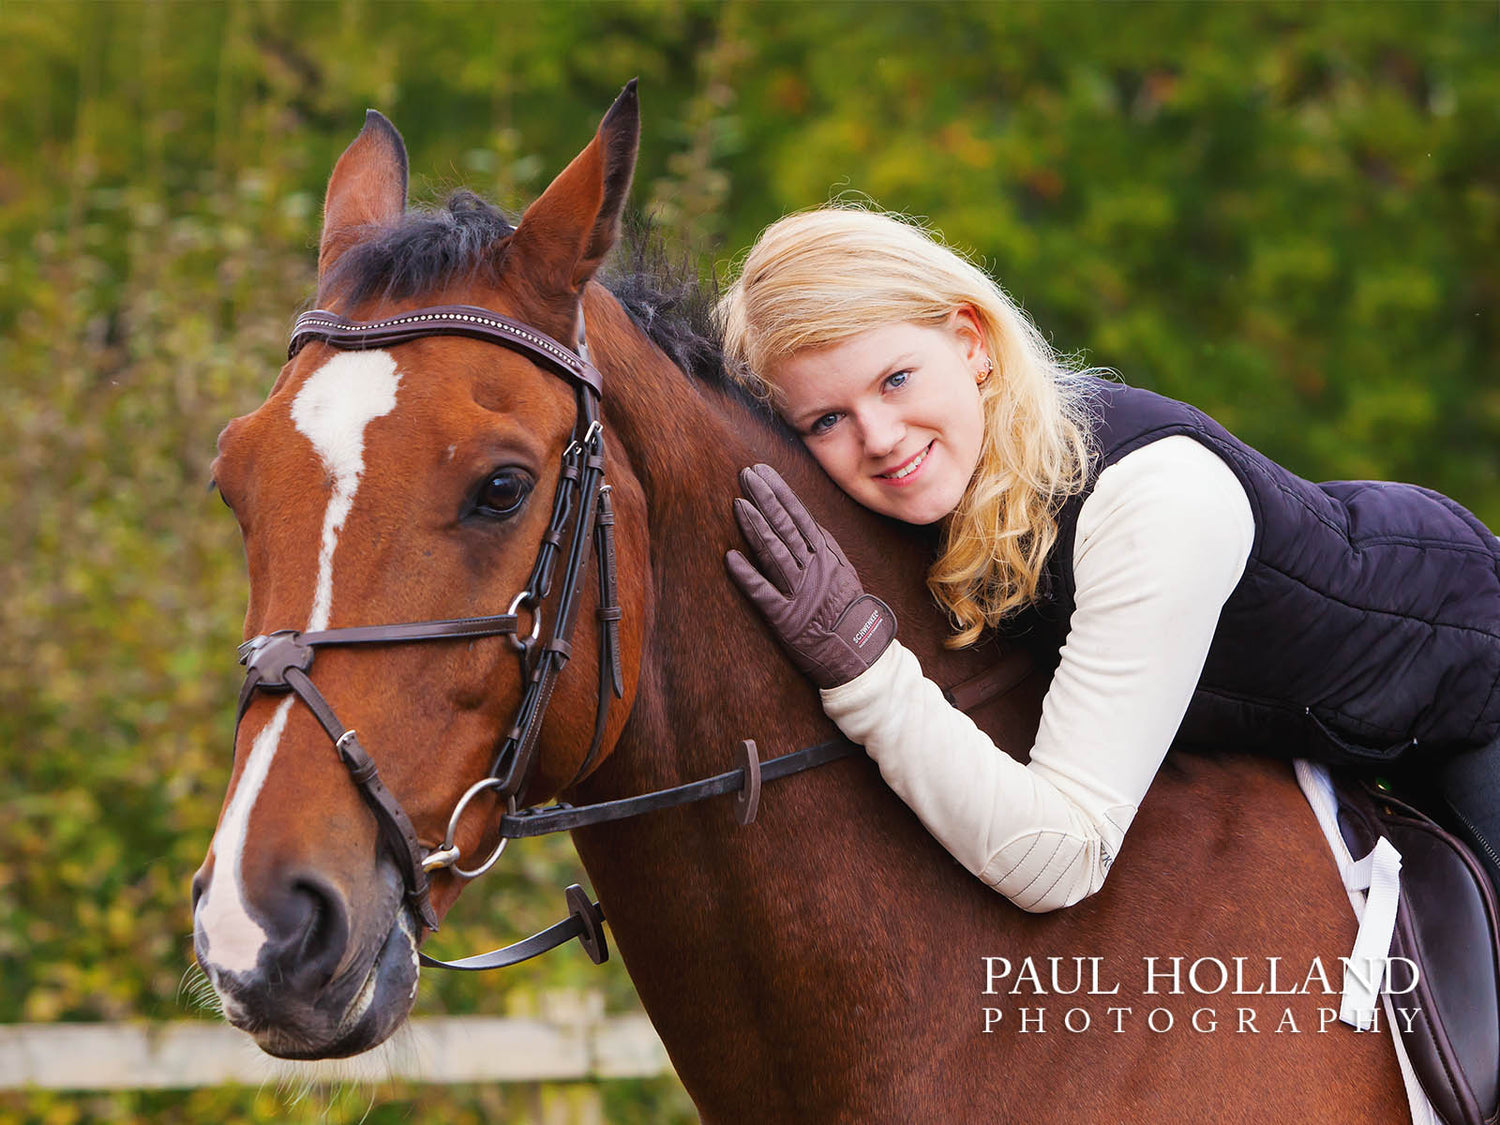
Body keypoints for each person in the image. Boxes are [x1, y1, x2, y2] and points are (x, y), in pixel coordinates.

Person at [714, 206, 1500, 912]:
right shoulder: (931, 486)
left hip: (1472, 684)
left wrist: (862, 668)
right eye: (825, 420)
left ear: (970, 342)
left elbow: (1059, 860)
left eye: (895, 379)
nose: (878, 437)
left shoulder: (1150, 502)